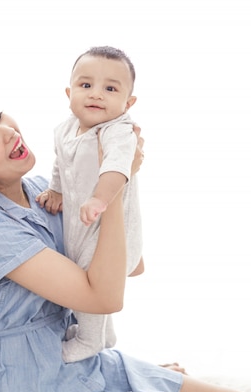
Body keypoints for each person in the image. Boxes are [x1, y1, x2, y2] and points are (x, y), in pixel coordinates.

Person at [0, 94, 251, 392]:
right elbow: (104, 296)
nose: (8, 132)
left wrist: (114, 172)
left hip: (80, 362)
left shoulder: (43, 191)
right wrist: (112, 183)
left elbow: (131, 266)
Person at [36, 45, 144, 362]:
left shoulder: (117, 131)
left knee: (90, 278)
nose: (96, 94)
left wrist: (99, 198)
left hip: (112, 229)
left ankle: (90, 339)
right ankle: (105, 333)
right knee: (80, 269)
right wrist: (55, 189)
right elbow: (61, 162)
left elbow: (117, 168)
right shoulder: (65, 129)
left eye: (110, 88)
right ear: (69, 92)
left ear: (128, 103)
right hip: (82, 224)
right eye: (86, 85)